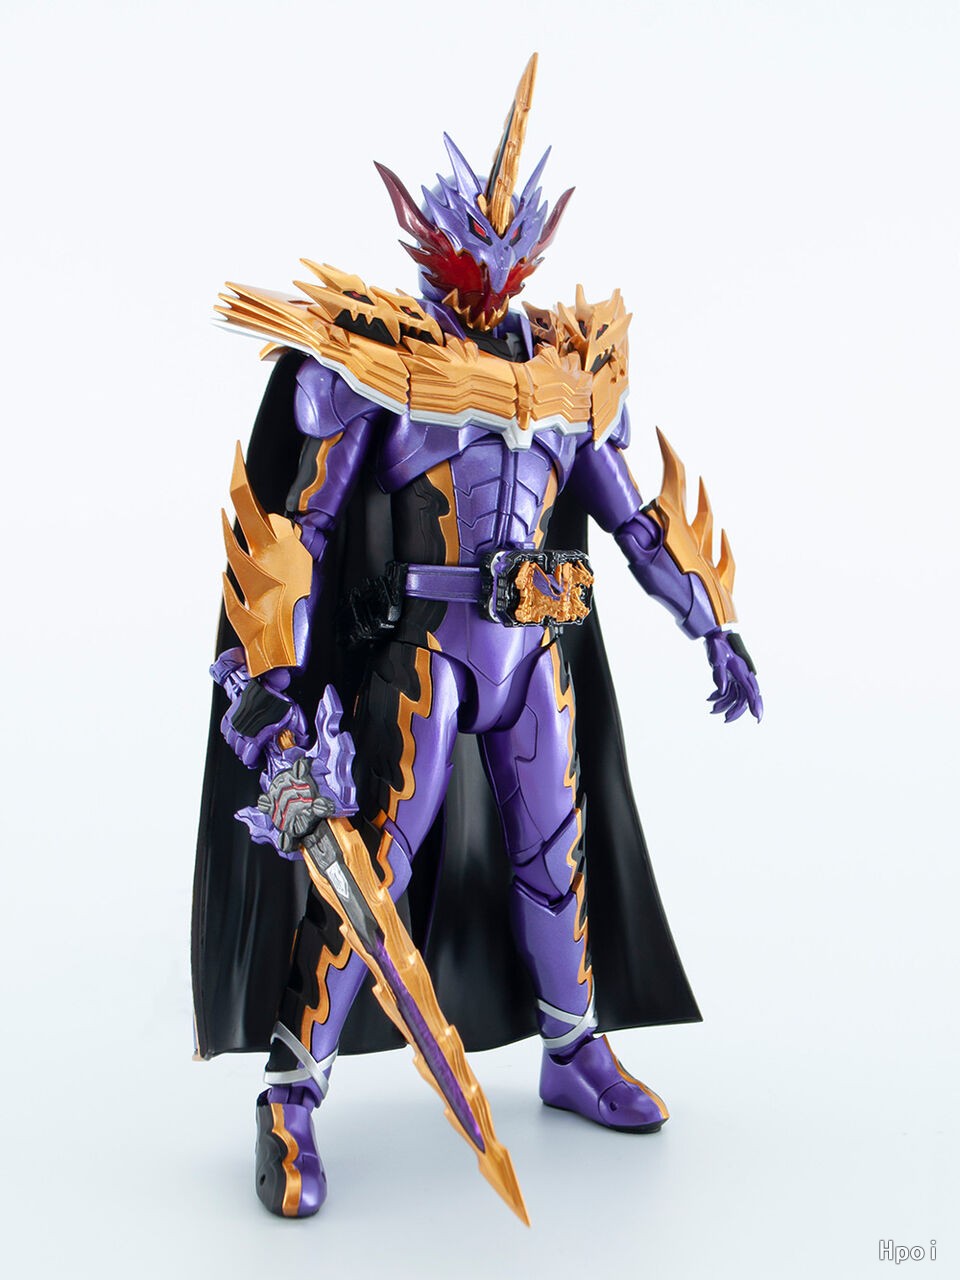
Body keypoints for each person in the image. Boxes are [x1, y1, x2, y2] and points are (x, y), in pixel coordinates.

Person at [192, 53, 762, 1219]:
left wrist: (713, 619)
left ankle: (572, 1046)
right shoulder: (382, 363)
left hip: (533, 654)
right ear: (433, 242)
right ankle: (291, 1093)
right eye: (472, 248)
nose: (491, 271)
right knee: (371, 873)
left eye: (510, 250)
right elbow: (303, 523)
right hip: (425, 650)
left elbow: (634, 516)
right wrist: (272, 676)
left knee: (557, 855)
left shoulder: (566, 373)